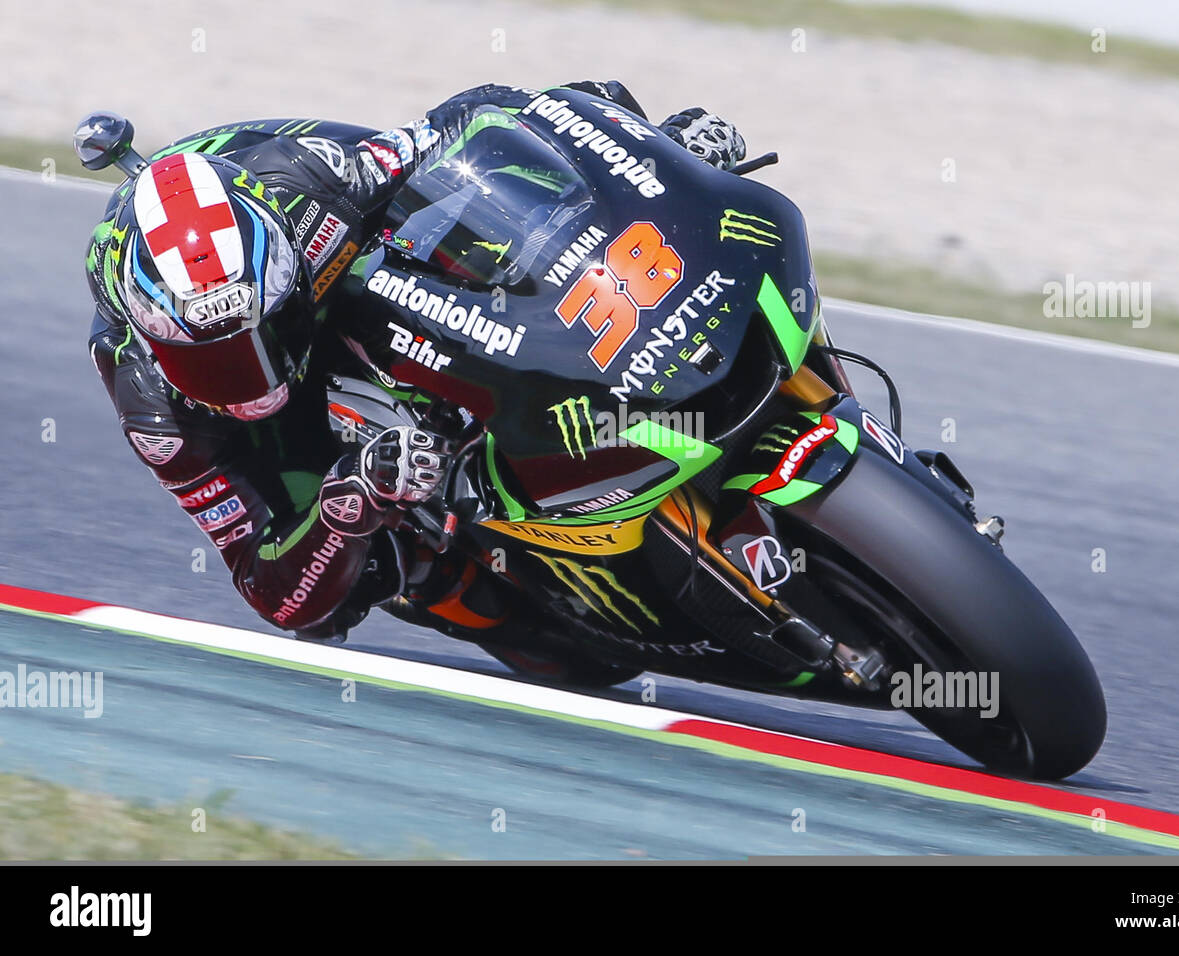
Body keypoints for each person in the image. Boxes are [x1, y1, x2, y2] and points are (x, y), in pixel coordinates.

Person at [82, 80, 746, 650]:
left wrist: (651, 152)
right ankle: (445, 576)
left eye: (254, 333)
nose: (250, 372)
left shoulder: (320, 182)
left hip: (353, 281)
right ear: (154, 336)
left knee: (492, 235)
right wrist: (351, 500)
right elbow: (270, 590)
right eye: (215, 358)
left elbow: (490, 114)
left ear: (280, 265)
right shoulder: (151, 402)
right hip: (304, 419)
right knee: (335, 597)